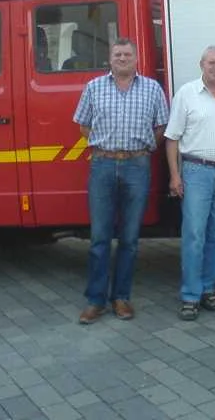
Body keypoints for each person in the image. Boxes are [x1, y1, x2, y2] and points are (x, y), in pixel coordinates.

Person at [73, 38, 169, 324]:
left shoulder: (152, 88)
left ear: (136, 59)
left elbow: (162, 126)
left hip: (137, 166)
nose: (123, 58)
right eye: (118, 54)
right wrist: (103, 145)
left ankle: (121, 298)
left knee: (129, 239)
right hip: (102, 164)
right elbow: (83, 125)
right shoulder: (94, 87)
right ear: (110, 58)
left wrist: (144, 149)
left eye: (128, 54)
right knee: (99, 238)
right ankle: (95, 300)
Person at [165, 45, 215, 321]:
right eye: (212, 62)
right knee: (195, 235)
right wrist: (175, 175)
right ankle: (190, 295)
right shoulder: (186, 94)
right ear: (202, 65)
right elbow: (172, 138)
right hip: (196, 171)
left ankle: (208, 287)